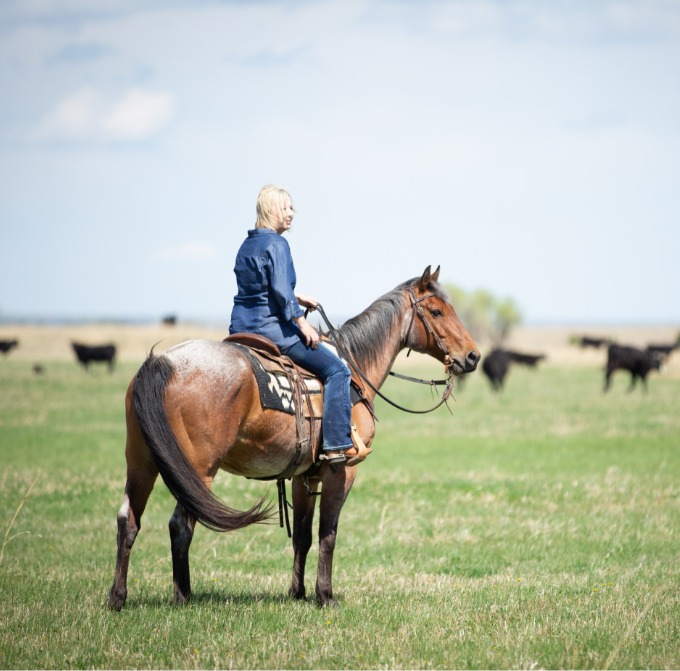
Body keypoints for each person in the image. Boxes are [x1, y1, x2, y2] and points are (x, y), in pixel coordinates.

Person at [229, 184, 353, 464]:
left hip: (240, 329)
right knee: (338, 371)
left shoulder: (246, 245)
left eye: (292, 208)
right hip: (273, 332)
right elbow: (281, 294)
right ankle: (336, 445)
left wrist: (298, 296)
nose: (292, 213)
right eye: (286, 207)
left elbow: (260, 287)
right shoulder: (277, 243)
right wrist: (303, 323)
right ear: (271, 209)